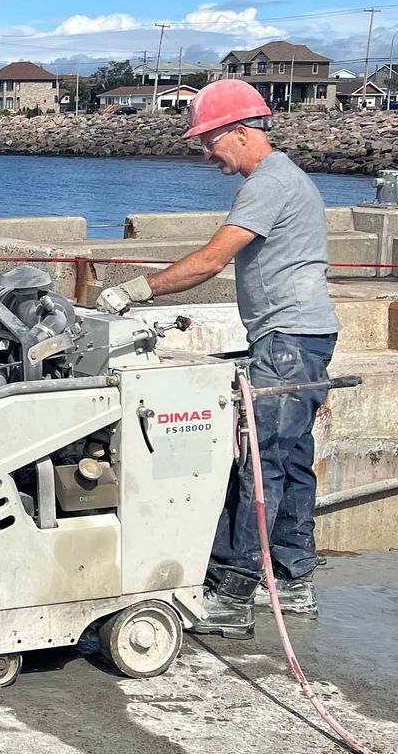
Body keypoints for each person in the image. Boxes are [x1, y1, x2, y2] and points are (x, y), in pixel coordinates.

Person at [96, 78, 339, 637]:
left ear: (238, 132)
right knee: (291, 461)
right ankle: (293, 581)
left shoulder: (268, 184)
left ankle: (231, 595)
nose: (207, 155)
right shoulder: (288, 179)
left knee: (260, 464)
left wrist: (138, 291)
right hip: (307, 336)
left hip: (286, 342)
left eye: (209, 141)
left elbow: (210, 261)